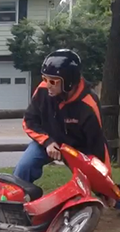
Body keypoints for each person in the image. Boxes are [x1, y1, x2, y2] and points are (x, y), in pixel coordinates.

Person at [13, 49, 111, 183]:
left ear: (68, 82)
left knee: (106, 189)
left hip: (79, 148)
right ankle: (14, 199)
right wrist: (47, 142)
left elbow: (97, 143)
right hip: (48, 141)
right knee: (24, 167)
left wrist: (105, 181)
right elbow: (29, 121)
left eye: (53, 81)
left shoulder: (88, 103)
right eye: (45, 79)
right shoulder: (42, 90)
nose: (47, 85)